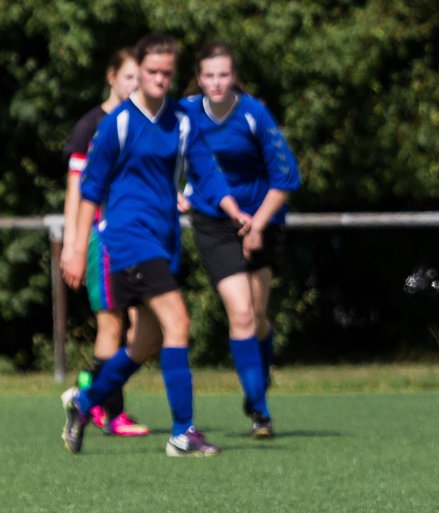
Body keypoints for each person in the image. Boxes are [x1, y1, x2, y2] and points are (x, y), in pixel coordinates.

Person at [61, 32, 234, 457]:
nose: (159, 78)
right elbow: (90, 188)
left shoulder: (182, 120)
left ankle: (84, 403)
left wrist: (233, 207)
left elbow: (206, 172)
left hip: (163, 239)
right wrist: (78, 247)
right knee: (179, 320)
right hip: (128, 237)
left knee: (145, 343)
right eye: (151, 71)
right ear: (137, 72)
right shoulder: (118, 123)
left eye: (167, 72)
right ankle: (183, 432)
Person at [180, 42, 300, 439]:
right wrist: (173, 190)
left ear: (234, 76)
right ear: (199, 78)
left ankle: (258, 380)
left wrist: (259, 225)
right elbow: (161, 156)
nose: (216, 83)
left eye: (224, 75)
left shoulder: (253, 113)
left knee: (260, 316)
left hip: (262, 218)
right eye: (209, 76)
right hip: (214, 222)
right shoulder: (186, 113)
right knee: (242, 313)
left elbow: (285, 177)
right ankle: (259, 410)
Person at [60, 48, 150, 438]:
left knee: (144, 327)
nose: (135, 85)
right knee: (111, 323)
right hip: (102, 237)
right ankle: (110, 412)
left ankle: (88, 387)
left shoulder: (142, 122)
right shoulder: (91, 125)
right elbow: (76, 191)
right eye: (129, 77)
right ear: (111, 77)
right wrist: (73, 244)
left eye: (140, 78)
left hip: (135, 235)